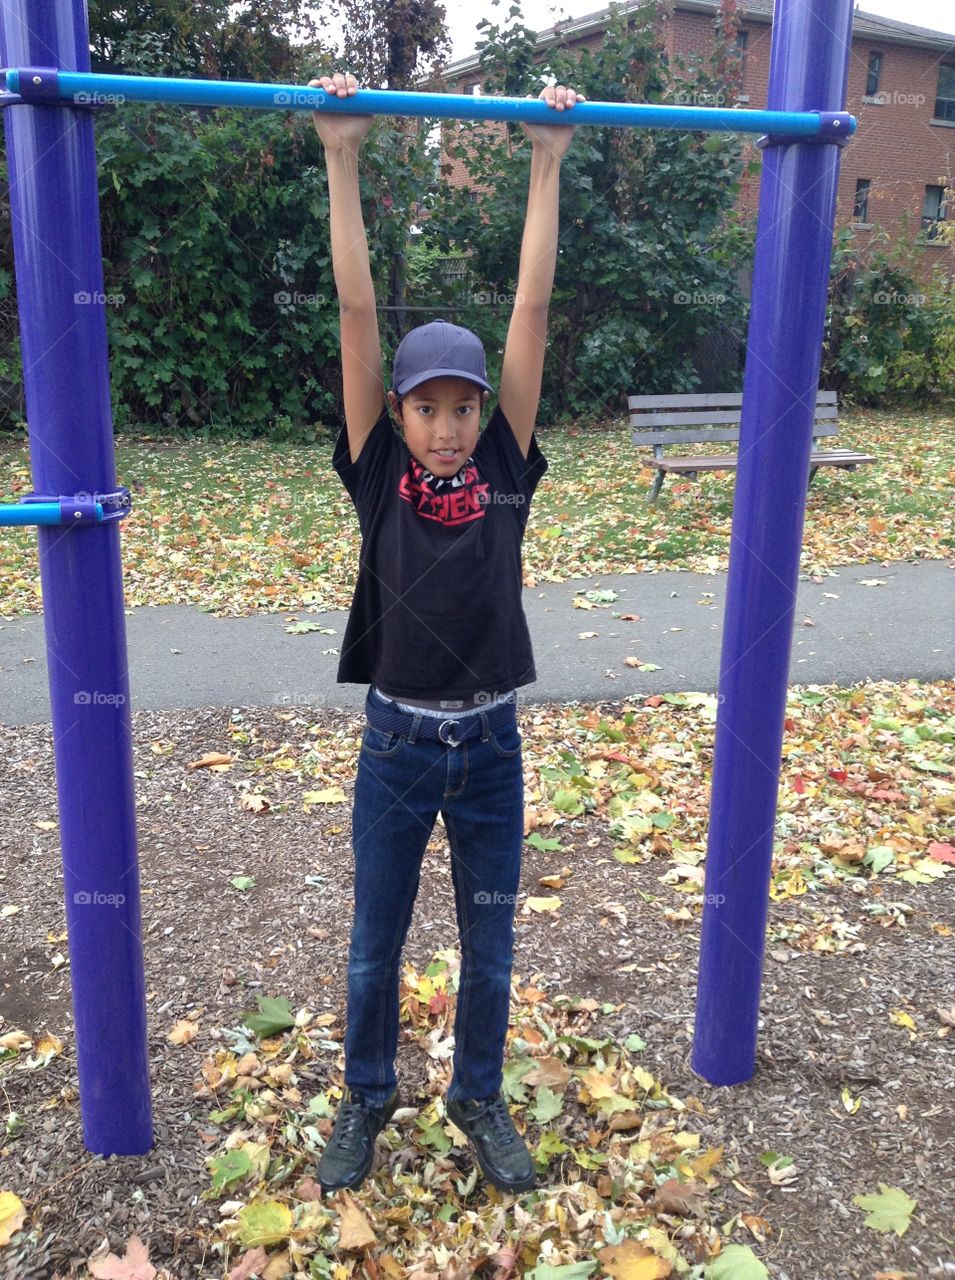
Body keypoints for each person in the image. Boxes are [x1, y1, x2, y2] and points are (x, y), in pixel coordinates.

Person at [308, 69, 582, 1195]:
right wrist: (340, 155)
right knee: (375, 946)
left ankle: (476, 1094)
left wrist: (545, 163)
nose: (447, 424)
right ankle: (367, 1095)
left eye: (463, 405)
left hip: (491, 748)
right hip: (395, 744)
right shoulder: (377, 472)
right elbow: (358, 314)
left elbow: (529, 311)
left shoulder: (506, 469)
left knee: (491, 944)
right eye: (427, 405)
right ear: (399, 410)